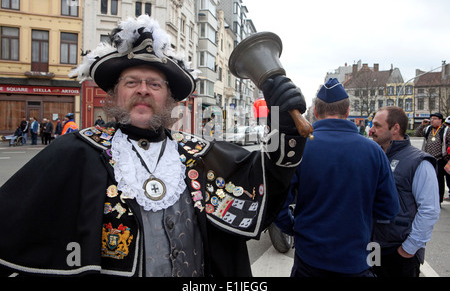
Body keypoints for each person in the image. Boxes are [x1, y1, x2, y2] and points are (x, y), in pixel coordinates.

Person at [0, 14, 307, 277]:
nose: (143, 90)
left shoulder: (199, 154)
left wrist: (283, 126)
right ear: (115, 94)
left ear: (169, 98)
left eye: (155, 84)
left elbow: (264, 179)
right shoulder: (77, 152)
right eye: (132, 82)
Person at [275, 78, 399, 277]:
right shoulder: (374, 151)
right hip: (355, 261)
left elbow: (278, 203)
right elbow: (389, 210)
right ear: (348, 111)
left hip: (309, 261)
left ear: (315, 111)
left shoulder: (300, 148)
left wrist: (293, 227)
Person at [369, 106, 440, 277]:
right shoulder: (373, 156)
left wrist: (408, 249)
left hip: (399, 251)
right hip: (372, 248)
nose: (371, 130)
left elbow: (430, 209)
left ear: (395, 128)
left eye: (377, 126)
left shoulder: (418, 161)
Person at [415, 113, 450, 203]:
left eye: (434, 118)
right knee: (428, 179)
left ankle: (439, 199)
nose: (432, 120)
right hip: (429, 158)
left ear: (440, 120)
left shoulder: (446, 130)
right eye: (431, 119)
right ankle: (429, 197)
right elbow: (417, 134)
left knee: (439, 180)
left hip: (440, 159)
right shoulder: (428, 129)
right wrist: (422, 125)